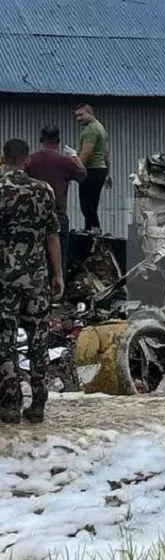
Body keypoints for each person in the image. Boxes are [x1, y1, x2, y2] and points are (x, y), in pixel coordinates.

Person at [0, 138, 64, 423]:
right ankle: (38, 404)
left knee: (5, 342)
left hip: (4, 279)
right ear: (26, 160)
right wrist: (58, 274)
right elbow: (52, 235)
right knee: (39, 341)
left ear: (4, 159)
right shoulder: (44, 190)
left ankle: (10, 404)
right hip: (37, 279)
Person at [23, 125, 86, 269]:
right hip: (58, 214)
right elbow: (83, 175)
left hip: (34, 215)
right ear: (58, 140)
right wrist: (75, 157)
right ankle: (58, 287)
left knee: (34, 260)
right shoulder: (65, 161)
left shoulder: (30, 160)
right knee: (58, 260)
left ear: (41, 139)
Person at [73, 103, 111, 234]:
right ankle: (90, 228)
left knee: (86, 204)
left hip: (91, 170)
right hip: (100, 169)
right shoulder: (100, 127)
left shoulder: (91, 130)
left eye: (81, 115)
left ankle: (95, 228)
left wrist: (76, 170)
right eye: (76, 116)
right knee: (92, 203)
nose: (78, 119)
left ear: (89, 113)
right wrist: (107, 172)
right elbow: (105, 153)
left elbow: (86, 153)